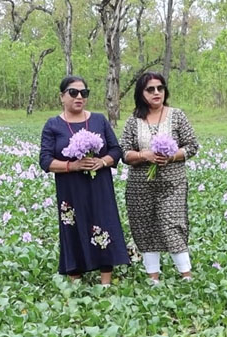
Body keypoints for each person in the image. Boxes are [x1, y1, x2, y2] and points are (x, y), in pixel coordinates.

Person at [39, 76, 131, 285]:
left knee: (103, 223)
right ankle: (75, 279)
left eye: (84, 93)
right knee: (72, 226)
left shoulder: (99, 120)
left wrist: (102, 162)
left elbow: (116, 150)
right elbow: (45, 161)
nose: (79, 97)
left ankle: (105, 281)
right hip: (70, 189)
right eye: (73, 92)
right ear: (62, 96)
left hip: (99, 186)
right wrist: (73, 166)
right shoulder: (53, 125)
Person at [120, 72, 199, 285]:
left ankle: (186, 275)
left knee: (172, 224)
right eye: (150, 89)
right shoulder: (133, 120)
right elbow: (125, 153)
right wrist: (143, 155)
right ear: (141, 93)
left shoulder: (177, 116)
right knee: (144, 226)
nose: (157, 93)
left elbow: (192, 146)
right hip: (140, 184)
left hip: (172, 183)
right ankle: (152, 277)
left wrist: (172, 156)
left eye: (160, 88)